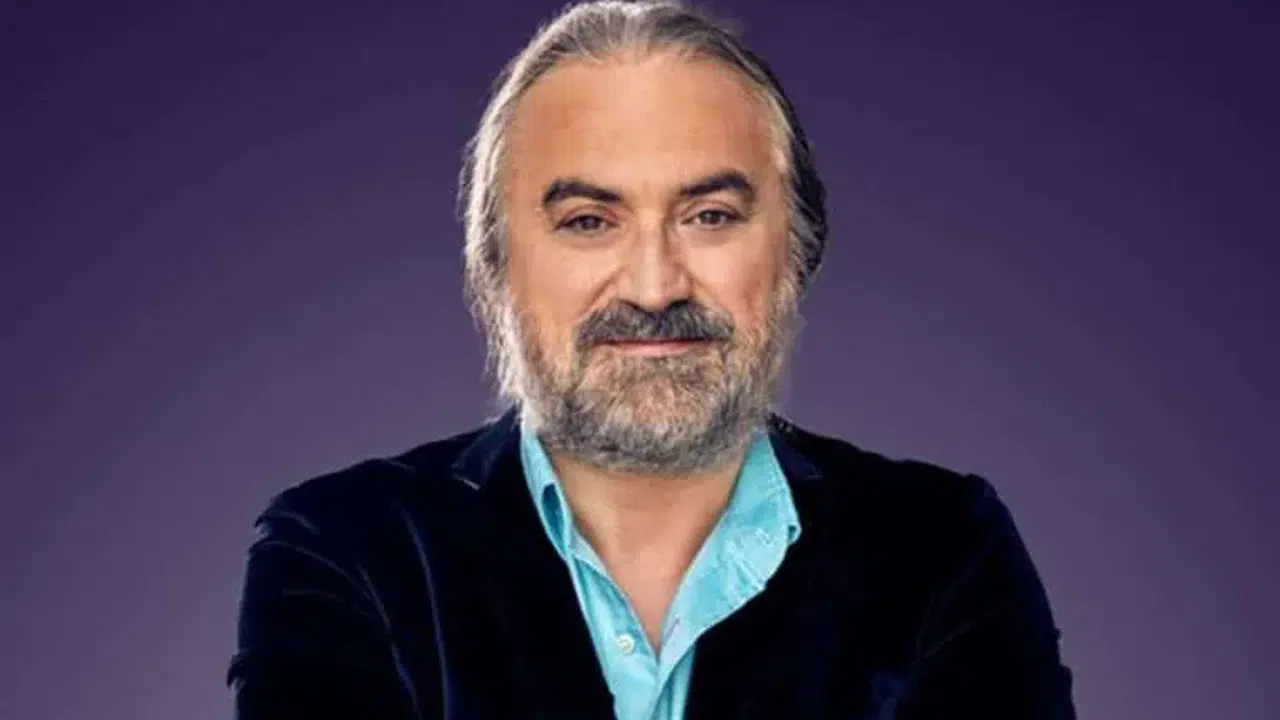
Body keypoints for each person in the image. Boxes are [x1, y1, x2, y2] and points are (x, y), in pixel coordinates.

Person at [225, 1, 1077, 717]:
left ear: (797, 250)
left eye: (709, 216)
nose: (655, 284)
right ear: (495, 266)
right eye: (589, 222)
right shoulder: (346, 550)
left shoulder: (943, 551)